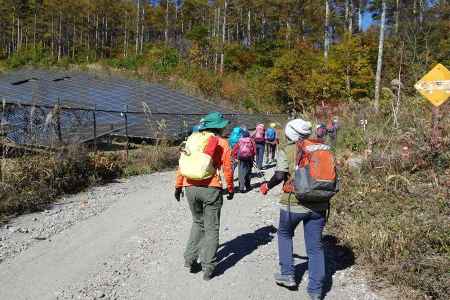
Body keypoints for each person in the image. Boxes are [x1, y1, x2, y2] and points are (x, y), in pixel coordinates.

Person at [259, 119, 328, 300]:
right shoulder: (321, 148)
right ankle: (315, 290)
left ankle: (288, 274)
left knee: (284, 233)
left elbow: (280, 175)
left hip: (293, 203)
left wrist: (267, 185)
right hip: (319, 205)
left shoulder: (288, 149)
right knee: (315, 247)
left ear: (290, 133)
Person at [175, 112, 234, 281]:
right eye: (223, 125)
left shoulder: (192, 139)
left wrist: (178, 185)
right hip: (210, 188)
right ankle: (208, 267)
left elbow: (181, 164)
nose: (225, 127)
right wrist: (230, 188)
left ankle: (190, 258)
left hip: (190, 187)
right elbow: (228, 168)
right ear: (218, 126)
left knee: (197, 222)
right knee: (211, 228)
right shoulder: (222, 142)